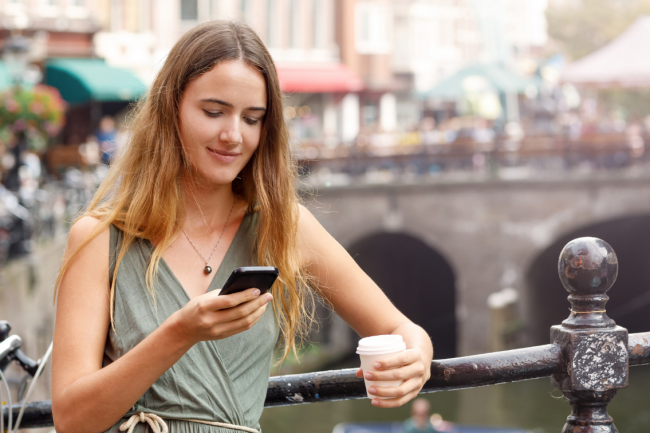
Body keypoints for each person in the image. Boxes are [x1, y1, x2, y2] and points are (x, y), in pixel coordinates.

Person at [51, 21, 433, 433]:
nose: (233, 135)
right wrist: (180, 333)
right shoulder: (98, 238)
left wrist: (417, 356)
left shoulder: (283, 225)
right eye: (214, 112)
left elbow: (400, 328)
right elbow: (72, 419)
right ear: (170, 109)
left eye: (252, 119)